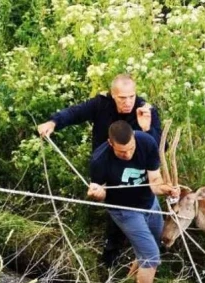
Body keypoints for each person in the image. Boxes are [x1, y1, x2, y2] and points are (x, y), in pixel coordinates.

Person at [37, 74, 162, 268]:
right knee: (116, 210)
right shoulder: (101, 104)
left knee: (143, 211)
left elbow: (158, 146)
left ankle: (141, 257)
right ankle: (109, 262)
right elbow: (75, 113)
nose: (128, 102)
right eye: (122, 98)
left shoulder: (145, 110)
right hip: (107, 168)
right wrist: (53, 122)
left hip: (137, 172)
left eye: (131, 96)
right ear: (113, 95)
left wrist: (147, 129)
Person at [87, 121, 179, 283]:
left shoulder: (146, 143)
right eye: (122, 152)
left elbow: (154, 180)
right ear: (111, 144)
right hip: (124, 210)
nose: (127, 154)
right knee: (151, 256)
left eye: (130, 149)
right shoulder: (99, 160)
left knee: (154, 244)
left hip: (149, 203)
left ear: (134, 140)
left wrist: (166, 189)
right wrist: (98, 194)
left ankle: (129, 281)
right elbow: (99, 193)